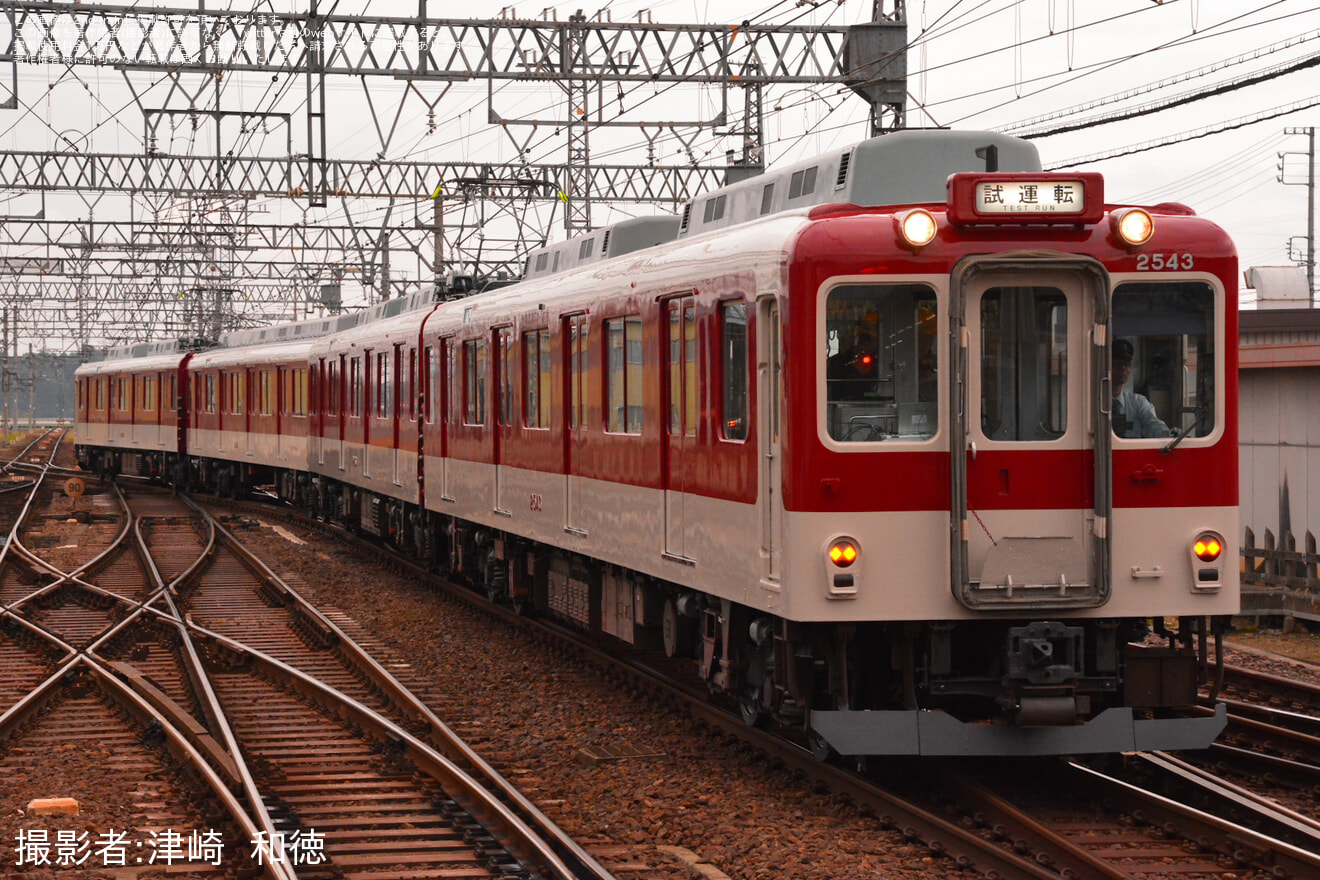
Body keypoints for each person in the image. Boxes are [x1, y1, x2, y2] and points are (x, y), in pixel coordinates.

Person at [1111, 338, 1171, 438]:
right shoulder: (1094, 403)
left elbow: (1154, 424)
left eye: (1126, 365)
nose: (1123, 368)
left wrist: (1169, 436)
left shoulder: (1138, 403)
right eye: (1117, 364)